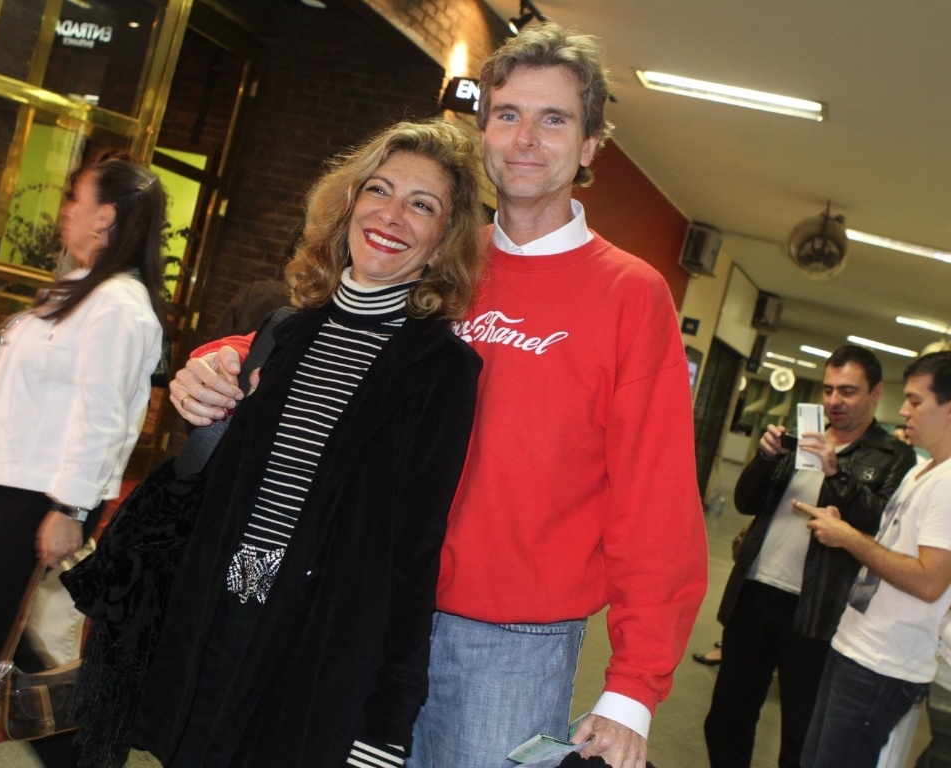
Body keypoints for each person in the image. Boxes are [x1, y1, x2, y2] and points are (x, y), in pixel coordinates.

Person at [168, 24, 708, 768]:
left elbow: (657, 500)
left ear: (590, 147)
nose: (525, 138)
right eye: (508, 113)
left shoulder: (630, 294)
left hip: (507, 649)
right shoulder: (442, 259)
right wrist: (219, 359)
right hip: (362, 610)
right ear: (483, 129)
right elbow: (331, 332)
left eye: (555, 119)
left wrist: (635, 686)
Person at [131, 119, 486, 767]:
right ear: (347, 206)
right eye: (378, 190)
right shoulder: (283, 332)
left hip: (311, 649)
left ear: (441, 245)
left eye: (422, 205)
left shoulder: (442, 372)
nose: (392, 214)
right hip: (214, 627)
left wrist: (386, 720)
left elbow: (414, 552)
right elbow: (214, 488)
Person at [0, 153, 166, 767]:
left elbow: (104, 417)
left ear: (105, 218)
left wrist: (70, 507)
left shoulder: (118, 304)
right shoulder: (81, 288)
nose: (65, 211)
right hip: (13, 491)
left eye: (76, 199)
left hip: (37, 497)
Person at [703, 345, 917, 768]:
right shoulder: (803, 434)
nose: (835, 400)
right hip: (756, 594)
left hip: (818, 612)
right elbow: (747, 501)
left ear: (876, 393)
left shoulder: (894, 456)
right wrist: (765, 460)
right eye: (829, 389)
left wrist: (837, 473)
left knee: (802, 738)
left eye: (848, 391)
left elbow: (879, 526)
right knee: (727, 718)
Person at [798, 350, 951, 768]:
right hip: (856, 644)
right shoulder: (924, 471)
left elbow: (929, 581)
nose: (903, 410)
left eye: (917, 401)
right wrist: (846, 530)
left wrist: (850, 540)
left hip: (885, 664)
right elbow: (894, 547)